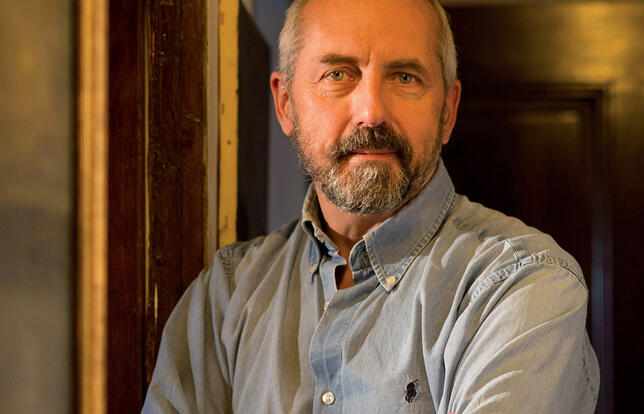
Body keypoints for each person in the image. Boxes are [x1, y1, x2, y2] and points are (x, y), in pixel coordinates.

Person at [142, 0, 600, 412]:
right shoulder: (225, 296)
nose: (371, 111)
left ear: (448, 111)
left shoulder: (521, 284)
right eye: (337, 74)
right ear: (285, 104)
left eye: (405, 77)